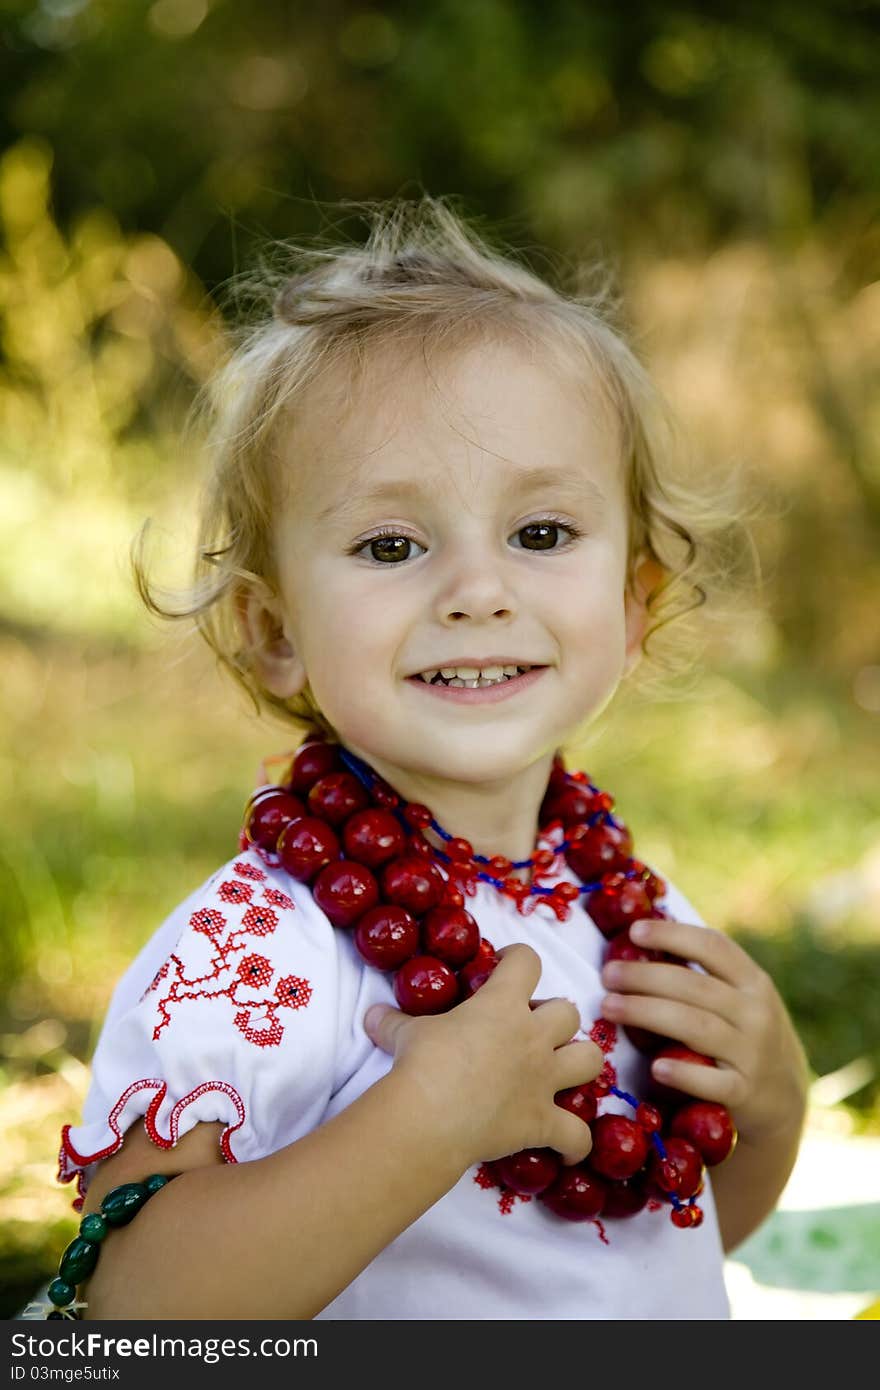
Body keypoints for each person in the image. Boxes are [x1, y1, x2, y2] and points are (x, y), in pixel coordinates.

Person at [52, 197, 808, 1321]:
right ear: (274, 630)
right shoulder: (252, 959)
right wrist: (427, 1119)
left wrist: (775, 1102)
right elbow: (135, 1318)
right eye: (391, 545)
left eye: (540, 533)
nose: (477, 591)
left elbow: (654, 1240)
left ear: (633, 601)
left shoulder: (627, 912)